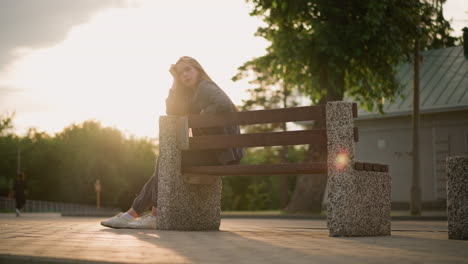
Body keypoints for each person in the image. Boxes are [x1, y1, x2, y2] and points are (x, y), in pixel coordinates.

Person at [101, 56, 244, 229]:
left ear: (198, 70)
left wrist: (198, 118)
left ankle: (145, 214)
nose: (185, 75)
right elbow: (171, 111)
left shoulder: (206, 87)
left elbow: (223, 105)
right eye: (180, 73)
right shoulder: (190, 93)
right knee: (167, 159)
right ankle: (135, 214)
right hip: (212, 152)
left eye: (188, 70)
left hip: (223, 154)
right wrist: (174, 81)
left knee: (167, 158)